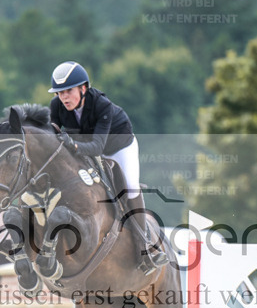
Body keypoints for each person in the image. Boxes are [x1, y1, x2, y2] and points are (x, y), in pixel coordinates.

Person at [47, 61, 168, 274]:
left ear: (83, 88)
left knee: (129, 187)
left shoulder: (101, 105)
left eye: (68, 91)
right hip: (83, 146)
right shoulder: (56, 106)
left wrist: (71, 144)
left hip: (118, 146)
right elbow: (53, 133)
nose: (63, 97)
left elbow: (97, 147)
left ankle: (145, 246)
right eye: (59, 93)